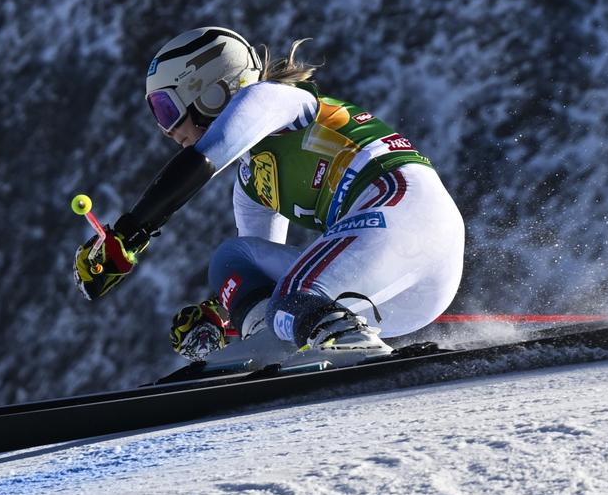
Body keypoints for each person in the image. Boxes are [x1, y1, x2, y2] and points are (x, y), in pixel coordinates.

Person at [73, 26, 465, 359]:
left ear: (209, 91)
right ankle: (283, 345)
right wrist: (223, 313)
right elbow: (259, 274)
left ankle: (344, 345)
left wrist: (129, 233)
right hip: (395, 287)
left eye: (166, 108)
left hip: (407, 214)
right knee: (232, 260)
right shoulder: (253, 183)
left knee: (293, 299)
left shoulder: (271, 98)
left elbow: (204, 159)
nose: (169, 131)